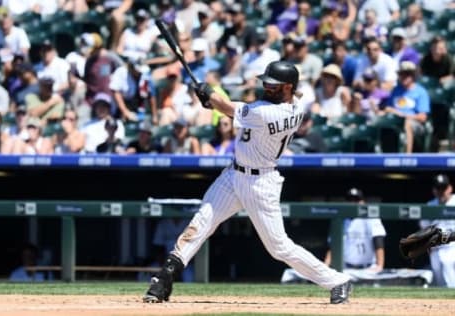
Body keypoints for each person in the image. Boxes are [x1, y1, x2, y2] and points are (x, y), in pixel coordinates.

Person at [143, 60, 352, 304]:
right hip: (233, 175)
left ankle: (337, 280)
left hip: (260, 183)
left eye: (274, 85)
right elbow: (228, 107)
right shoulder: (293, 104)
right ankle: (165, 276)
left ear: (287, 88)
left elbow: (227, 107)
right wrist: (211, 99)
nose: (267, 87)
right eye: (266, 83)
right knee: (202, 222)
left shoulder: (268, 112)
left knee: (279, 248)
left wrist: (210, 93)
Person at [324, 188, 386, 273]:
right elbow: (334, 245)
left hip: (368, 268)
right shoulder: (340, 219)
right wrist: (326, 265)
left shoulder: (371, 218)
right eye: (350, 200)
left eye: (356, 200)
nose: (353, 203)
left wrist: (380, 265)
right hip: (346, 268)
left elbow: (378, 240)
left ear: (363, 202)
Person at [420, 174, 455, 288]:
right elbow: (424, 228)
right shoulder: (430, 205)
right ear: (434, 190)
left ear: (450, 188)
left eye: (443, 188)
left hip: (452, 246)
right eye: (438, 188)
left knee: (448, 267)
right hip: (436, 248)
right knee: (439, 281)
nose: (441, 191)